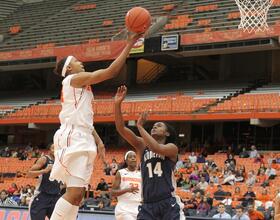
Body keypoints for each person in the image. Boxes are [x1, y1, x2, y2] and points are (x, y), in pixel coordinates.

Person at [49, 32, 141, 220]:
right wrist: (130, 43)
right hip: (72, 135)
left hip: (82, 135)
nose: (80, 62)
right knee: (73, 193)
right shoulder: (72, 80)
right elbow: (110, 72)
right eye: (75, 60)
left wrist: (98, 141)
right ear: (68, 68)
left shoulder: (80, 86)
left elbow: (86, 121)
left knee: (78, 196)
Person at [114, 85, 184, 220]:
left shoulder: (172, 148)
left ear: (167, 133)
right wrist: (117, 104)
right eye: (153, 125)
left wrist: (139, 126)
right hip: (147, 204)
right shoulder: (142, 146)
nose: (154, 126)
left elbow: (157, 148)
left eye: (159, 125)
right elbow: (121, 129)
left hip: (167, 201)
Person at [27, 144, 62, 220]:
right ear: (49, 150)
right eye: (53, 148)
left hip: (55, 197)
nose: (55, 150)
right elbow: (28, 174)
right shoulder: (44, 159)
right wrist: (44, 170)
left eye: (57, 148)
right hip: (41, 196)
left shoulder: (61, 162)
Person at [112, 151, 141, 220]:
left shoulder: (141, 174)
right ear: (126, 161)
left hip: (139, 208)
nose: (133, 158)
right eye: (130, 157)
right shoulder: (120, 173)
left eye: (134, 157)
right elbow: (112, 192)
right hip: (124, 208)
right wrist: (127, 190)